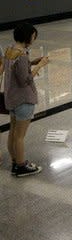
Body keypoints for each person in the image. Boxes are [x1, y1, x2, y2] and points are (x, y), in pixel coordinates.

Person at [2, 23, 49, 177]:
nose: (34, 40)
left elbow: (17, 70)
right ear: (28, 36)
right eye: (33, 36)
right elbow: (25, 80)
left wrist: (32, 61)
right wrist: (40, 66)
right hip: (23, 100)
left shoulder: (10, 50)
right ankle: (21, 166)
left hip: (11, 98)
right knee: (20, 136)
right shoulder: (21, 55)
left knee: (13, 133)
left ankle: (15, 161)